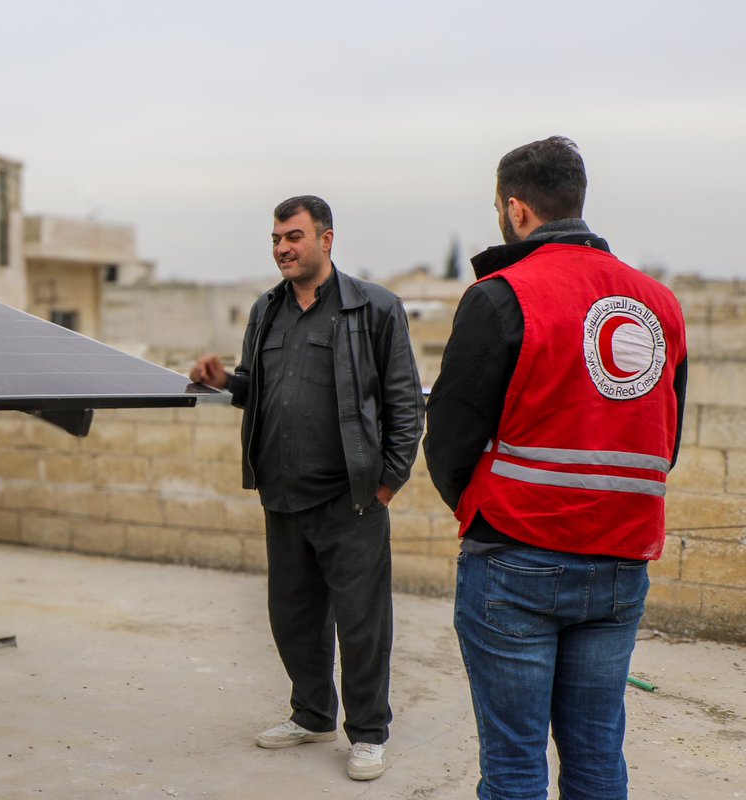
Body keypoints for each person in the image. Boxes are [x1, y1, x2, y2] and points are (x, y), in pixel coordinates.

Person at [424, 136, 688, 799]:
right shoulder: (660, 306)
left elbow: (450, 438)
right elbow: (665, 443)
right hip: (623, 561)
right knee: (598, 760)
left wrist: (479, 506)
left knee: (514, 768)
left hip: (515, 556)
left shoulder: (500, 295)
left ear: (516, 210)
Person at [190, 195, 424, 781]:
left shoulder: (375, 309)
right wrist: (228, 383)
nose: (282, 248)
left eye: (293, 236)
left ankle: (368, 733)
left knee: (362, 623)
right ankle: (313, 713)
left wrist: (387, 485)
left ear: (326, 239)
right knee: (292, 617)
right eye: (275, 239)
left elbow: (404, 404)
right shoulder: (266, 310)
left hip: (352, 501)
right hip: (283, 498)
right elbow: (261, 389)